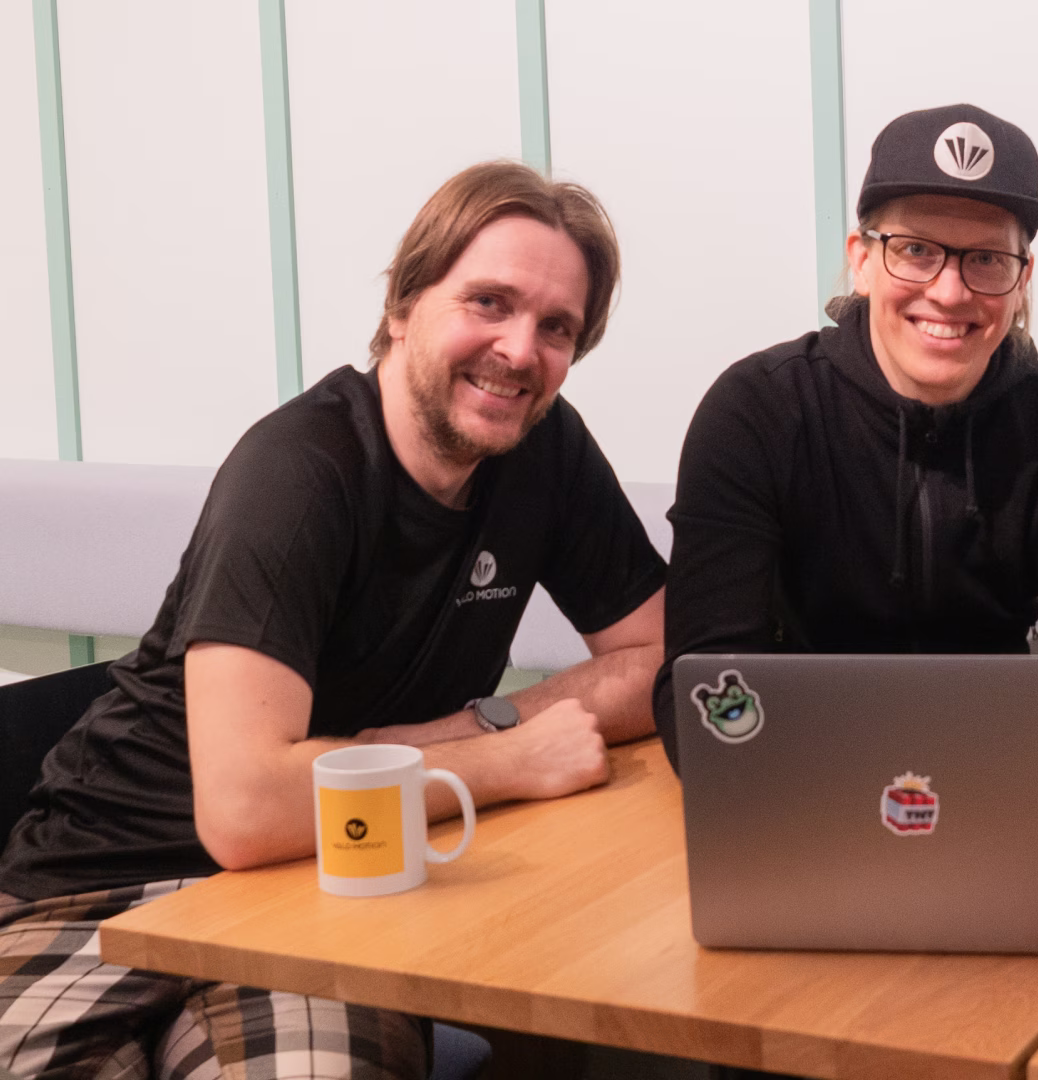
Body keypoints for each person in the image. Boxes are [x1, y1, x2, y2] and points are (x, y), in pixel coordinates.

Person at [0, 162, 666, 1079]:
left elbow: (663, 658)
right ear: (402, 305)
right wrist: (500, 762)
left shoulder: (544, 450)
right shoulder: (298, 473)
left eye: (558, 327)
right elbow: (243, 810)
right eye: (489, 302)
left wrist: (476, 722)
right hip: (102, 891)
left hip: (332, 880)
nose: (520, 350)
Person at [654, 103, 1038, 767]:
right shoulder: (756, 413)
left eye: (985, 259)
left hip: (999, 793)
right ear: (862, 260)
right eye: (916, 251)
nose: (948, 292)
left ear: (1022, 279)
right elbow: (705, 685)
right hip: (794, 789)